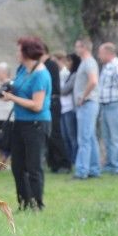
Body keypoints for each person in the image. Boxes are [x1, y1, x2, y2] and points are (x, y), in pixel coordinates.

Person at [0, 37, 52, 210]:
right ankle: (24, 202)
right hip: (20, 124)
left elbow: (37, 105)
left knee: (33, 166)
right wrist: (8, 88)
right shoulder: (23, 69)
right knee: (18, 167)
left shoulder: (41, 75)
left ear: (27, 53)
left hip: (36, 124)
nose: (17, 53)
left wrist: (12, 98)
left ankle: (38, 202)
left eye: (19, 50)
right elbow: (18, 86)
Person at [96, 42, 118, 174]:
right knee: (107, 137)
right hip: (104, 106)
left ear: (108, 53)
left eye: (100, 53)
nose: (99, 56)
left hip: (115, 105)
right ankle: (111, 163)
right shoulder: (106, 68)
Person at [72, 38, 100, 179]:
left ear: (84, 47)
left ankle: (82, 170)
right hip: (88, 104)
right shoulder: (86, 62)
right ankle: (94, 169)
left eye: (77, 46)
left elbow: (93, 81)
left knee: (84, 138)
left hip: (87, 103)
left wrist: (83, 96)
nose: (76, 49)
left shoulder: (89, 62)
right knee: (90, 137)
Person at [41, 45, 70, 173]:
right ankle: (54, 163)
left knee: (55, 134)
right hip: (48, 102)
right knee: (49, 135)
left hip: (53, 102)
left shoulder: (50, 64)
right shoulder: (44, 65)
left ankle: (64, 163)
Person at [59, 53, 81, 166]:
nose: (66, 64)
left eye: (68, 61)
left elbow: (65, 90)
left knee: (72, 136)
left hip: (70, 109)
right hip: (63, 109)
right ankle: (69, 159)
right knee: (65, 136)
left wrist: (57, 89)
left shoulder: (74, 75)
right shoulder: (68, 75)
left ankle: (75, 160)